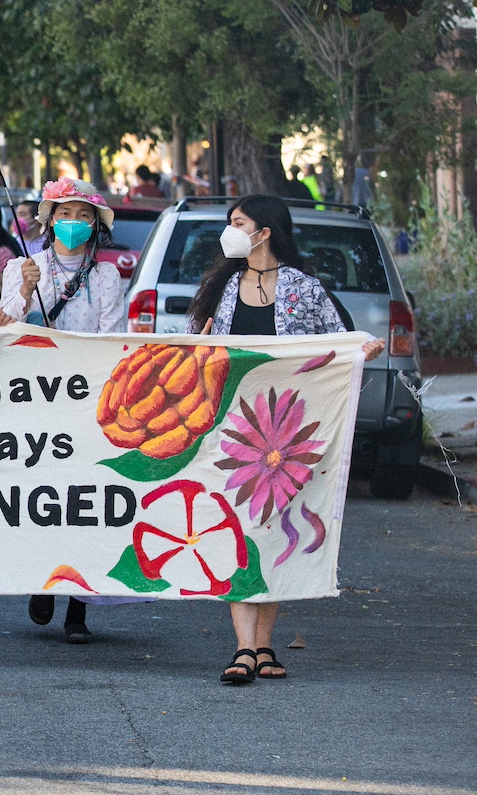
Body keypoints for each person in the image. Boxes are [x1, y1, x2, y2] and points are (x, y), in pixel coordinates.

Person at [186, 195, 386, 685]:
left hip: (289, 435)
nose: (229, 231)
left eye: (237, 222)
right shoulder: (224, 287)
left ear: (265, 231)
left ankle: (263, 646)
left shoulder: (305, 289)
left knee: (275, 535)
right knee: (238, 531)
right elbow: (194, 348)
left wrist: (361, 348)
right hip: (235, 432)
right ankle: (243, 648)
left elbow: (336, 343)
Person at [0, 178, 123, 643]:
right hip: (34, 401)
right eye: (65, 214)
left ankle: (78, 608)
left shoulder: (108, 277)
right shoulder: (22, 267)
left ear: (95, 226)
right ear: (50, 221)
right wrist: (25, 291)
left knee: (82, 501)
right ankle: (40, 579)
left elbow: (114, 337)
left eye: (84, 216)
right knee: (40, 496)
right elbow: (5, 324)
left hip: (87, 400)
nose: (74, 223)